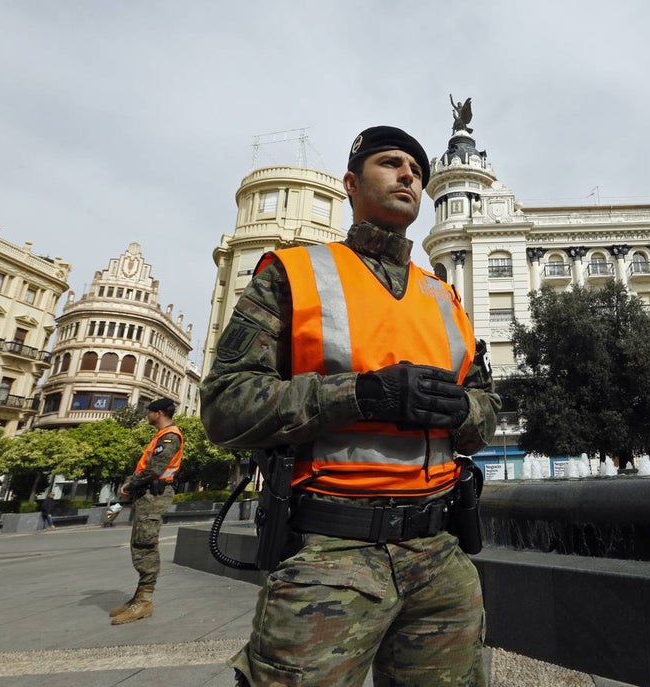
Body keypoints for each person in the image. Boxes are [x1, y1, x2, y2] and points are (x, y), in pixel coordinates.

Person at [201, 125, 500, 686]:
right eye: (391, 163)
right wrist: (361, 395)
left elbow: (487, 410)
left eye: (417, 170)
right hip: (328, 555)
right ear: (351, 184)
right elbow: (224, 406)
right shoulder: (293, 273)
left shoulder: (445, 296)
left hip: (441, 558)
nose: (408, 174)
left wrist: (461, 411)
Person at [109, 397, 182, 626]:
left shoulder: (170, 436)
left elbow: (155, 469)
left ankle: (145, 601)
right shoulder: (161, 436)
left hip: (155, 495)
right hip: (148, 494)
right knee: (140, 542)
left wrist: (130, 484)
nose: (146, 415)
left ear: (158, 413)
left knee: (145, 544)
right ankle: (139, 597)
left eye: (149, 411)